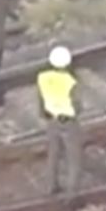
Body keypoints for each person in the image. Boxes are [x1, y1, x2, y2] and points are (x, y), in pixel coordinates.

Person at [37, 46, 83, 195]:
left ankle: (51, 186)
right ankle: (72, 191)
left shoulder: (42, 77)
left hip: (52, 119)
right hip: (68, 121)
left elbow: (41, 100)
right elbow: (77, 104)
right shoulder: (70, 81)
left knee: (53, 154)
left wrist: (45, 113)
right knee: (73, 156)